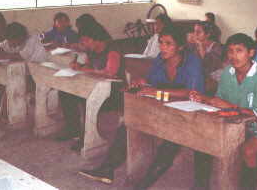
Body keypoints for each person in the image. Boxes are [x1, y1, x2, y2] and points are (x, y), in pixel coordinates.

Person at [79, 25, 205, 187]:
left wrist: (155, 91)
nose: (162, 47)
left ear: (180, 46)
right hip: (163, 107)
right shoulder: (161, 58)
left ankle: (143, 184)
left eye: (168, 43)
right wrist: (143, 82)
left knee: (171, 141)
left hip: (188, 112)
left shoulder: (192, 61)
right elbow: (153, 82)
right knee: (129, 123)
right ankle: (107, 168)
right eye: (161, 43)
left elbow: (192, 92)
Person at [191, 33, 257, 190]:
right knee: (201, 140)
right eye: (230, 51)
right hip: (230, 123)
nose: (233, 56)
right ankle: (200, 186)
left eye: (239, 50)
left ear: (251, 53)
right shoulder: (228, 73)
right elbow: (219, 102)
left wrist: (228, 106)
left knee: (248, 151)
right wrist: (205, 100)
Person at [56, 22, 124, 151]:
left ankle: (87, 138)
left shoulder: (112, 49)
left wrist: (86, 70)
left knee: (86, 99)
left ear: (96, 39)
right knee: (65, 93)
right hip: (96, 86)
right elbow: (88, 66)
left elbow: (110, 72)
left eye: (86, 40)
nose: (84, 44)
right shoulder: (91, 50)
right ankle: (73, 128)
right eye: (82, 41)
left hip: (114, 92)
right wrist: (79, 67)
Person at [187, 21, 223, 95]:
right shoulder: (193, 46)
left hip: (214, 78)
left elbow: (209, 66)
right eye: (194, 31)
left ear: (207, 34)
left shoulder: (217, 47)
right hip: (200, 75)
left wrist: (200, 46)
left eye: (199, 32)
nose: (195, 34)